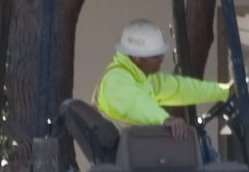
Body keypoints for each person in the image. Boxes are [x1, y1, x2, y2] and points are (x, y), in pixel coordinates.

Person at [95, 19, 233, 130]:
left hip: (136, 149)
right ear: (138, 58)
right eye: (155, 56)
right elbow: (137, 104)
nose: (162, 58)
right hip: (129, 155)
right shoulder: (116, 80)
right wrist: (164, 119)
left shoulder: (143, 78)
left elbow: (181, 89)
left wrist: (224, 91)